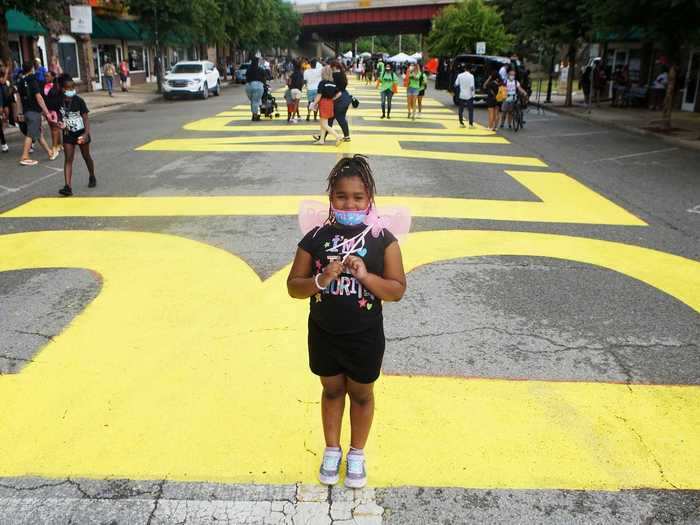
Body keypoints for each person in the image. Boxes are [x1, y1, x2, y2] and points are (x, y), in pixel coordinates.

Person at [287, 154, 406, 489]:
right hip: (324, 333)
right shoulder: (315, 237)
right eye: (341, 196)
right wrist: (321, 280)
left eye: (358, 197)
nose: (349, 203)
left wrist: (366, 275)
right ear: (331, 198)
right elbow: (294, 287)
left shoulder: (383, 239)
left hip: (365, 336)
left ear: (370, 199)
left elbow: (396, 290)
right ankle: (332, 449)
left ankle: (356, 453)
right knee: (331, 390)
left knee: (362, 394)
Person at [57, 78, 96, 196]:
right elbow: (59, 116)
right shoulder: (60, 101)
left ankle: (92, 176)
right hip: (68, 134)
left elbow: (86, 118)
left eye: (73, 88)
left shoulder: (79, 101)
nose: (72, 90)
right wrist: (60, 123)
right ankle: (67, 186)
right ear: (63, 89)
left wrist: (85, 134)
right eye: (69, 88)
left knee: (86, 156)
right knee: (68, 159)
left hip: (81, 132)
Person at [15, 62, 57, 166]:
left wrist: (20, 112)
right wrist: (47, 112)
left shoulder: (20, 81)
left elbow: (18, 99)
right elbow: (39, 97)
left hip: (26, 111)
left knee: (38, 134)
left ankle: (50, 152)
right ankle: (24, 156)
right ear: (32, 69)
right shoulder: (33, 80)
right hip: (34, 111)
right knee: (31, 134)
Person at [311, 65, 342, 146]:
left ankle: (337, 136)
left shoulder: (322, 83)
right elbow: (339, 93)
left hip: (323, 103)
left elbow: (319, 95)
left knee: (324, 124)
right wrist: (332, 98)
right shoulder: (333, 84)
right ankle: (321, 140)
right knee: (323, 123)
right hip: (330, 103)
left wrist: (313, 104)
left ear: (323, 73)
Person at [324, 60, 352, 142]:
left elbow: (333, 87)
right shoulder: (342, 74)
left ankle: (323, 136)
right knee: (338, 118)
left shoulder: (335, 75)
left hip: (338, 98)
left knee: (334, 118)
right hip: (345, 97)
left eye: (331, 68)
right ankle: (346, 136)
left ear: (334, 67)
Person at [42, 70, 63, 157]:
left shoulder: (57, 86)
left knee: (54, 128)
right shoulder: (43, 85)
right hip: (47, 110)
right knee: (53, 128)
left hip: (55, 110)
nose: (46, 77)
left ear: (53, 77)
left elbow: (61, 98)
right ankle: (59, 144)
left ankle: (54, 149)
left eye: (48, 76)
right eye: (45, 76)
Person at [245, 57, 266, 121]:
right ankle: (255, 116)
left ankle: (253, 114)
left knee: (253, 101)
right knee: (255, 101)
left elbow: (246, 76)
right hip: (258, 86)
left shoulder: (248, 69)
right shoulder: (260, 69)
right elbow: (265, 75)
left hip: (248, 86)